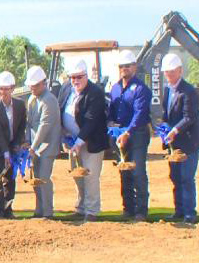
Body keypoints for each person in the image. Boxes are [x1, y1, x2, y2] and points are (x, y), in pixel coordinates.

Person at [58, 60, 109, 222]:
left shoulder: (95, 92)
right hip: (72, 142)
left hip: (91, 142)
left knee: (90, 176)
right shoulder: (66, 88)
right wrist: (63, 135)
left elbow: (91, 120)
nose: (75, 81)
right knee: (77, 175)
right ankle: (80, 208)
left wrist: (80, 142)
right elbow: (61, 109)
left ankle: (92, 211)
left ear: (86, 76)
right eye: (72, 77)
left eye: (79, 77)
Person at [108, 50, 152, 221]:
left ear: (134, 66)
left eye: (127, 66)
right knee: (124, 171)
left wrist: (128, 132)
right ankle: (128, 209)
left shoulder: (141, 89)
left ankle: (141, 211)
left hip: (137, 134)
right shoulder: (115, 87)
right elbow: (112, 110)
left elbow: (139, 114)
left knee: (137, 171)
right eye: (121, 66)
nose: (124, 69)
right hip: (120, 135)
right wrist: (111, 124)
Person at [160, 53, 199, 224]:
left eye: (171, 72)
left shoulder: (189, 91)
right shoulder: (167, 90)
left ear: (180, 71)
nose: (168, 75)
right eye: (166, 72)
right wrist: (164, 128)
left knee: (186, 177)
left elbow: (189, 117)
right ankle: (179, 210)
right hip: (173, 142)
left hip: (188, 141)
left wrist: (175, 130)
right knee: (175, 176)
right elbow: (166, 114)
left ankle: (190, 213)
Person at [0, 71, 26, 219]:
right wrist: (5, 153)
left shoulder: (20, 105)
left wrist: (17, 144)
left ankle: (8, 210)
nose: (3, 92)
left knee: (10, 180)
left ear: (12, 88)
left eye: (6, 88)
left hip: (12, 147)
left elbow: (22, 125)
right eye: (0, 89)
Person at [25, 66, 61, 218]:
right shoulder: (32, 99)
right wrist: (28, 142)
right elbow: (29, 123)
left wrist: (33, 147)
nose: (32, 88)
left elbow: (44, 126)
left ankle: (47, 211)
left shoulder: (49, 100)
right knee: (36, 179)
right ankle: (39, 209)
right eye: (30, 86)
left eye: (35, 85)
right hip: (34, 146)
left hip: (47, 146)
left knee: (44, 178)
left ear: (43, 83)